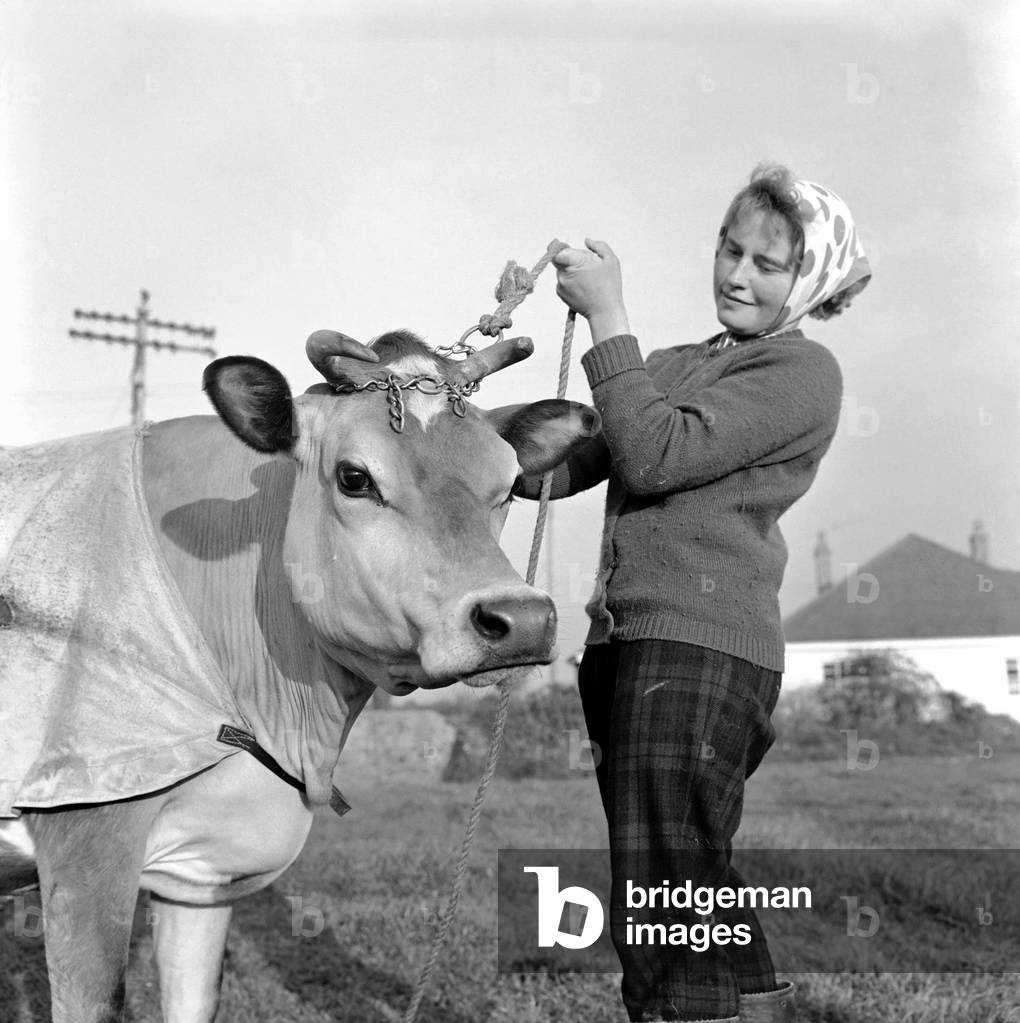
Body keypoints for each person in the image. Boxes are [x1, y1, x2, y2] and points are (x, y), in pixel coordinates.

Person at [530, 165, 871, 1023]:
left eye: (768, 263)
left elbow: (652, 455)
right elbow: (573, 461)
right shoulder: (674, 366)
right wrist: (454, 431)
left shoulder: (803, 371)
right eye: (730, 248)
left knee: (660, 891)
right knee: (690, 870)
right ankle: (751, 1005)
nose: (737, 274)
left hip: (701, 648)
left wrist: (608, 317)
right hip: (625, 646)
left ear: (811, 283)